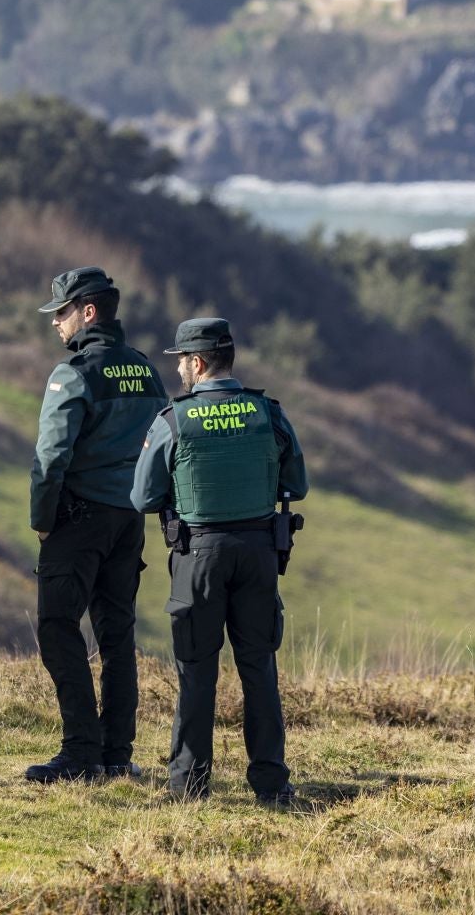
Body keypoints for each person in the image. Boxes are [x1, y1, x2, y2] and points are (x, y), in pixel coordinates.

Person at [131, 318, 308, 806]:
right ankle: (272, 785)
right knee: (259, 668)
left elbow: (143, 495)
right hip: (258, 552)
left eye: (183, 361)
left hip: (199, 555)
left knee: (195, 668)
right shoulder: (268, 413)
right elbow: (297, 485)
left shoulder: (174, 419)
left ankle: (189, 786)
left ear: (199, 362)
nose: (180, 369)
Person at [23, 267, 166, 784]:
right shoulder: (147, 371)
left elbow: (50, 457)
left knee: (58, 629)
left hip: (78, 520)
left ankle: (80, 751)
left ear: (87, 312)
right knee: (117, 636)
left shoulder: (74, 374)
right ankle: (115, 753)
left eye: (60, 313)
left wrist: (43, 521)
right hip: (129, 522)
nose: (56, 324)